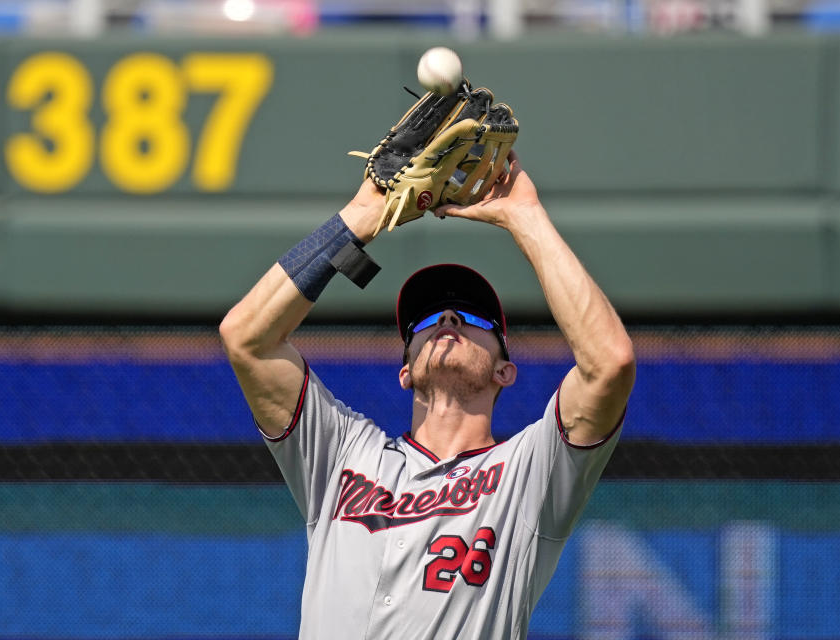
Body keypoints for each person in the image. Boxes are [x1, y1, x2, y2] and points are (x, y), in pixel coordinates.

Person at [219, 151, 635, 639]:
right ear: (404, 372)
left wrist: (526, 218)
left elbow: (610, 363)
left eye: (472, 317)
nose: (448, 320)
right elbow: (246, 339)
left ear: (505, 371)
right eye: (427, 320)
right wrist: (360, 217)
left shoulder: (530, 474)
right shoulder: (342, 454)